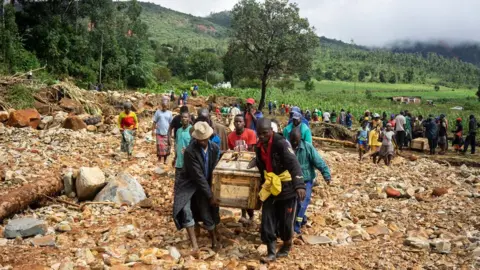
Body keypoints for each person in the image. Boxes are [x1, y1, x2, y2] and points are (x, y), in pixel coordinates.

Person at [254, 118, 305, 262]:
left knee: (286, 220)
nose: (262, 136)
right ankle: (271, 252)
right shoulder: (258, 147)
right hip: (270, 185)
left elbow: (293, 163)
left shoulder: (281, 143)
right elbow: (260, 165)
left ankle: (287, 245)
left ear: (271, 131)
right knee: (267, 218)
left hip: (286, 186)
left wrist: (299, 184)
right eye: (259, 134)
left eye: (265, 133)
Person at [172, 121, 221, 253]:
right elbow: (197, 175)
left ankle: (214, 240)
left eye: (205, 139)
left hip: (205, 183)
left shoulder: (214, 148)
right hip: (188, 184)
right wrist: (210, 195)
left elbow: (215, 168)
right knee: (186, 210)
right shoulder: (190, 151)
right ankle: (194, 245)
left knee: (206, 211)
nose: (203, 142)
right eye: (200, 140)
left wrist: (213, 191)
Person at [289, 129, 331, 234]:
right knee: (292, 203)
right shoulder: (287, 148)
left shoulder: (307, 147)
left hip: (306, 180)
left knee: (303, 202)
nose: (294, 143)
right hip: (291, 180)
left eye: (296, 141)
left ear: (300, 139)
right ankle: (302, 219)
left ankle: (296, 226)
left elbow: (318, 161)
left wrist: (326, 174)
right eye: (292, 141)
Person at [227, 115, 257, 223]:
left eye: (240, 121)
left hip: (249, 166)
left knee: (249, 192)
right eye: (236, 122)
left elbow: (252, 151)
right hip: (237, 166)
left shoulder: (250, 133)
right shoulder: (230, 136)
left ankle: (251, 215)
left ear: (244, 123)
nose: (238, 123)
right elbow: (231, 152)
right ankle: (243, 214)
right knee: (240, 191)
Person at [153, 98, 173, 164]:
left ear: (167, 106)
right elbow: (154, 122)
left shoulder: (170, 113)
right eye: (163, 106)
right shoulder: (158, 112)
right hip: (159, 132)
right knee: (159, 146)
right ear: (161, 105)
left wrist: (171, 132)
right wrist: (153, 130)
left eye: (165, 106)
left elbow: (171, 123)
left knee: (166, 146)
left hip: (166, 133)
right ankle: (159, 159)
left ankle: (165, 159)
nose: (164, 108)